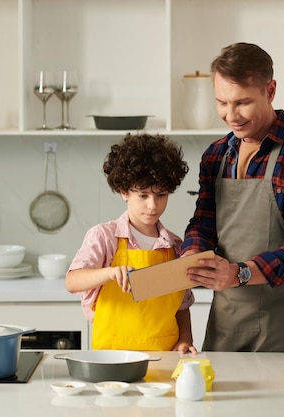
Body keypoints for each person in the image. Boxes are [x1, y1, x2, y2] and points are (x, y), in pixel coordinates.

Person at [181, 42, 284, 352]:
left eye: (242, 102)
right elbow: (204, 223)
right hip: (226, 323)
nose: (231, 115)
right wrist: (193, 253)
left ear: (270, 91)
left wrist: (238, 273)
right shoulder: (215, 156)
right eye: (222, 102)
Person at [66, 133, 197, 354]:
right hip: (111, 355)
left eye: (161, 195)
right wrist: (109, 273)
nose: (152, 206)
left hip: (164, 355)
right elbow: (72, 281)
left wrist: (185, 339)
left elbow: (182, 305)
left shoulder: (174, 245)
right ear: (124, 192)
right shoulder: (104, 236)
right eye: (143, 196)